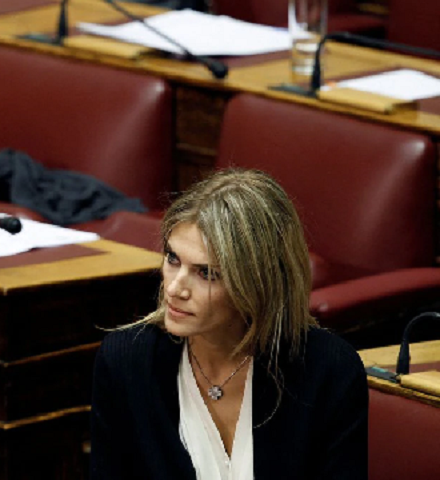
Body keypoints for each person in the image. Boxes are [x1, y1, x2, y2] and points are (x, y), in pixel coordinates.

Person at [90, 168, 368, 480]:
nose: (174, 289)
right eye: (173, 259)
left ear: (258, 283)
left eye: (206, 273)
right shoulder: (127, 361)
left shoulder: (328, 370)